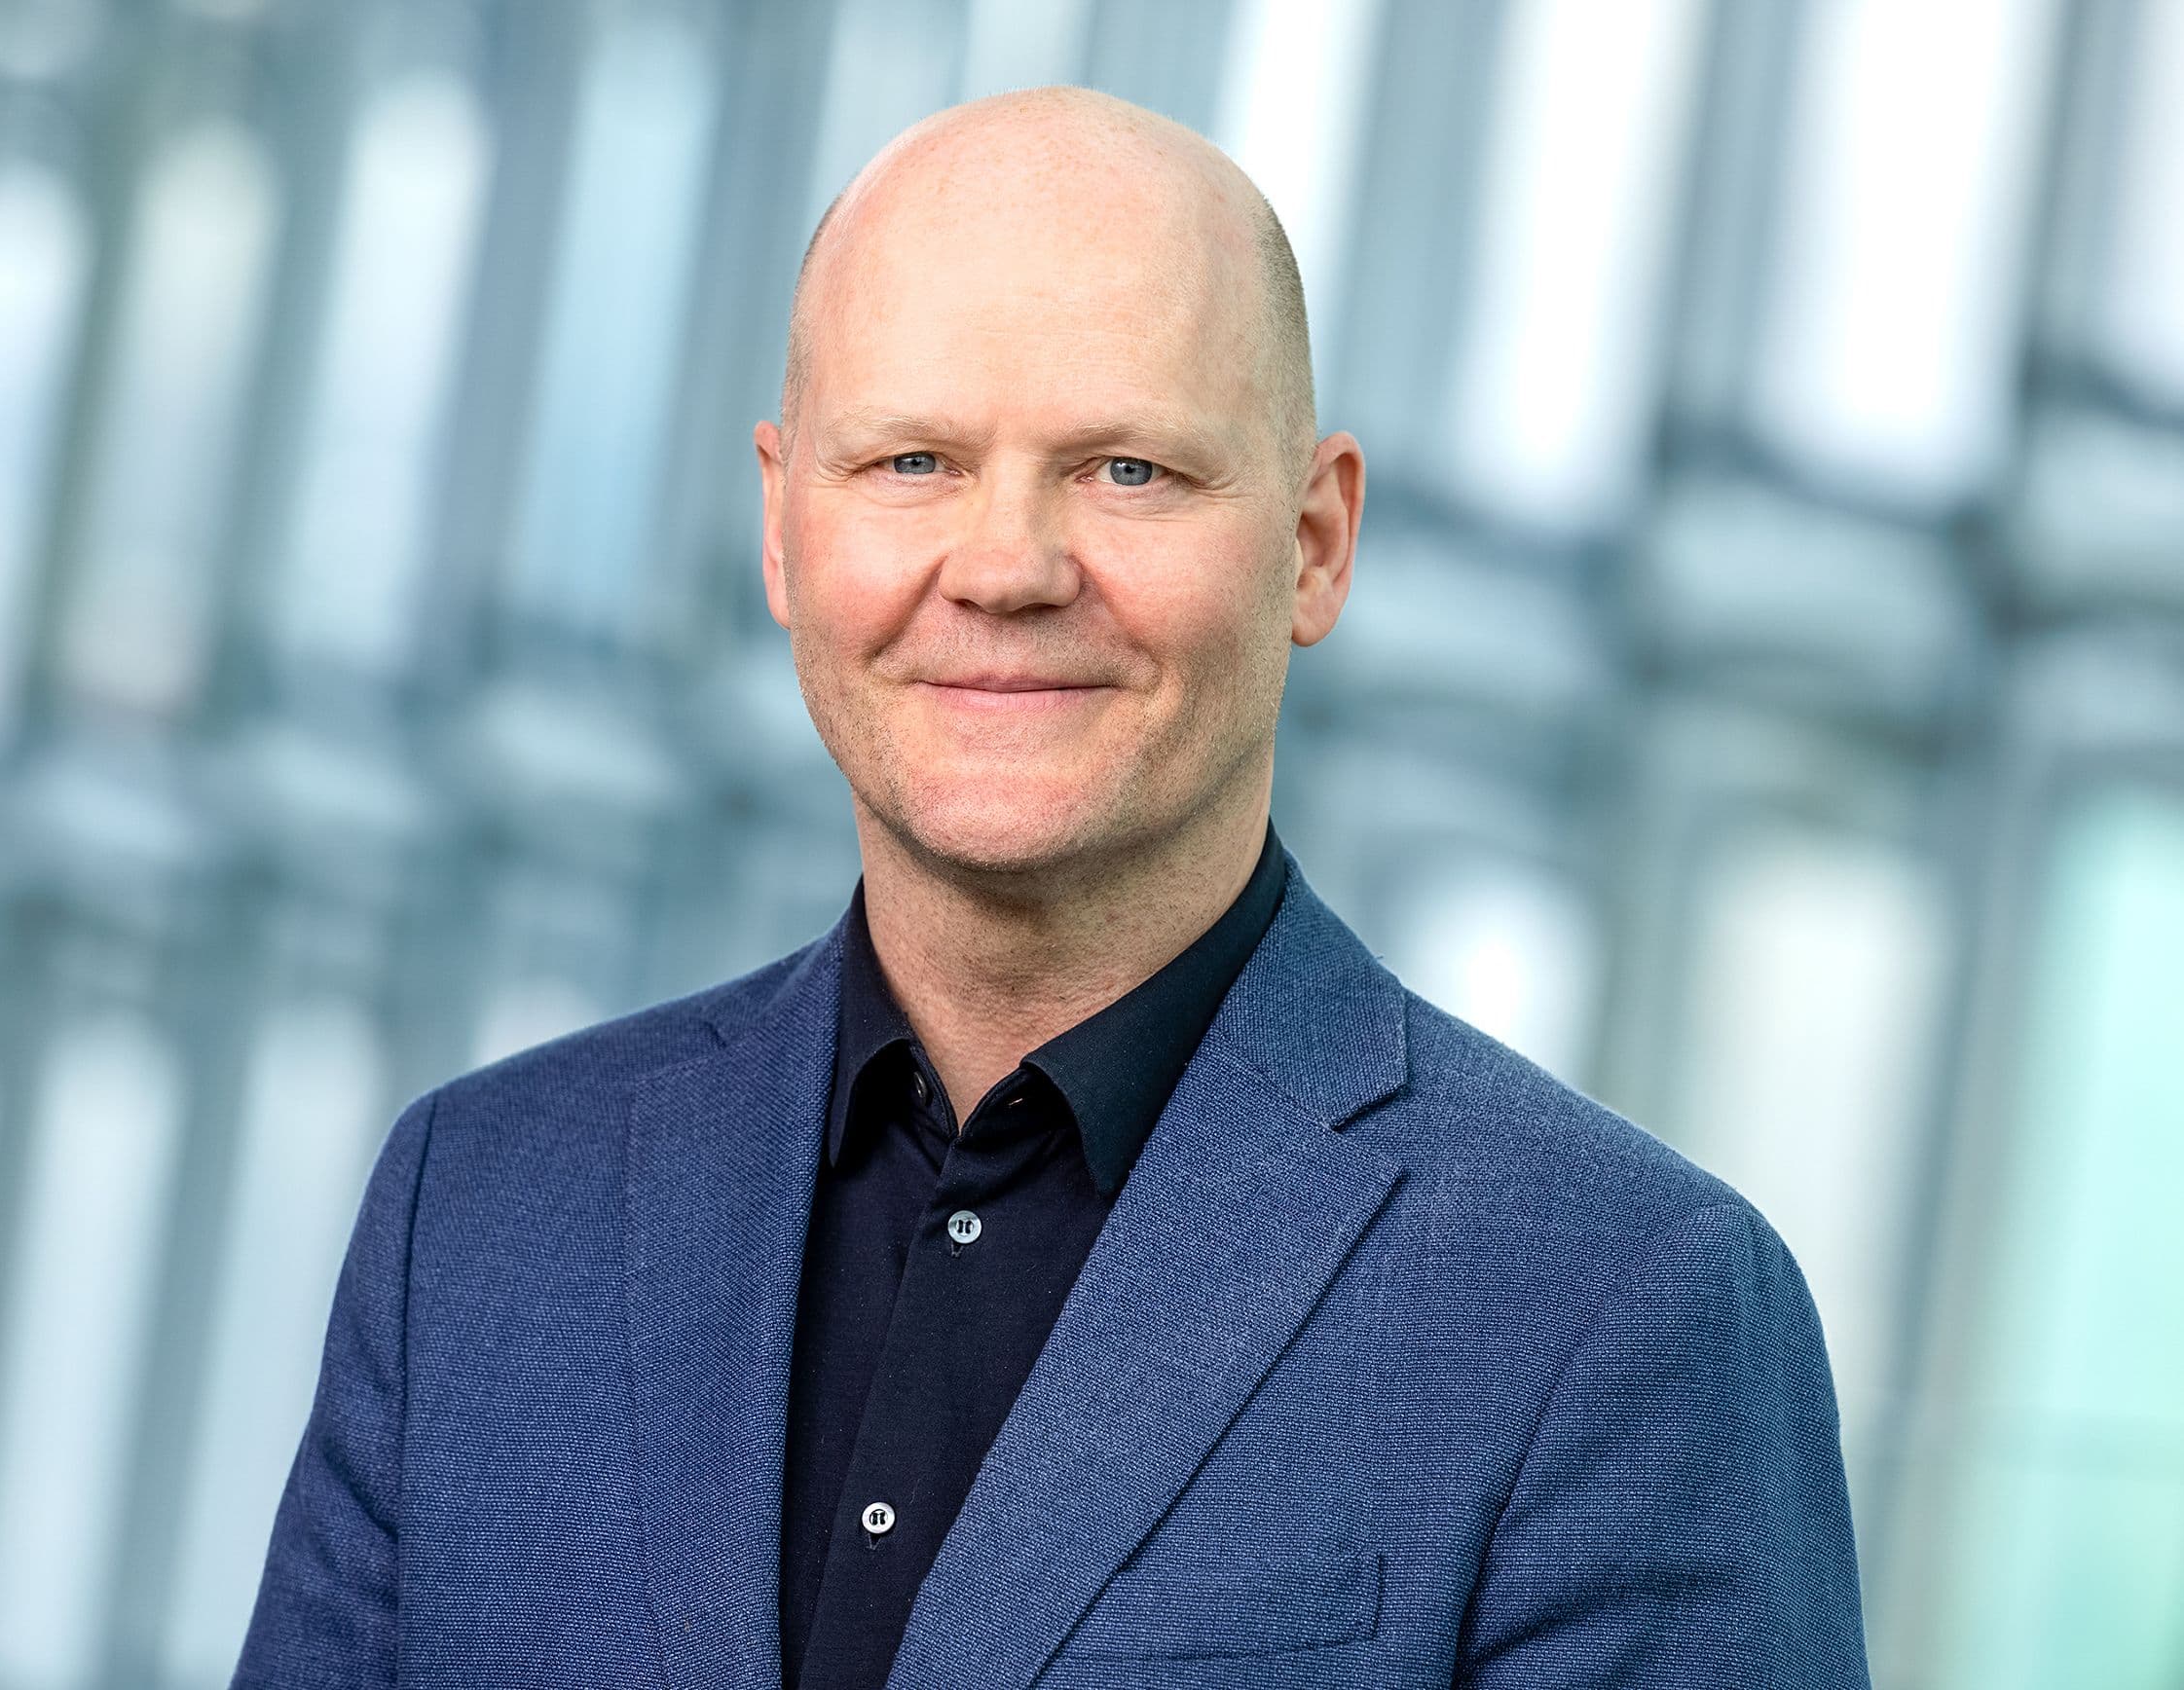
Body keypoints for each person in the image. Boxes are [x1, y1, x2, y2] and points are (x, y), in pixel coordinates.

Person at [234, 86, 1870, 1690]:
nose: (1008, 568)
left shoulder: (1616, 1302)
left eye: (1128, 471)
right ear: (784, 528)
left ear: (1314, 543)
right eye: (912, 462)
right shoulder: (480, 1209)